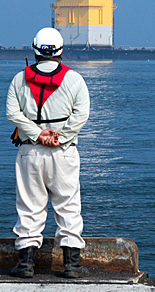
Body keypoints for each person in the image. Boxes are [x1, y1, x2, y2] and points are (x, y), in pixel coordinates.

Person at [6, 27, 91, 279]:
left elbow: (13, 113)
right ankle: (72, 265)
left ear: (34, 50)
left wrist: (37, 134)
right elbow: (82, 114)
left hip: (30, 152)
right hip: (64, 152)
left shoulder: (19, 79)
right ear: (61, 51)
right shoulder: (74, 79)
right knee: (68, 207)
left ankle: (25, 265)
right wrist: (60, 136)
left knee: (30, 207)